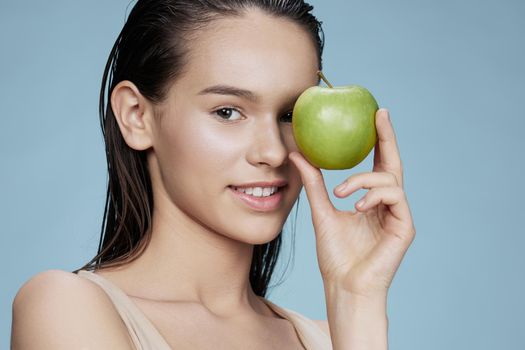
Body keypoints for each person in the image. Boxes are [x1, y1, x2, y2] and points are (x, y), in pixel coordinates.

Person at [11, 1, 416, 349]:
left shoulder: (334, 337)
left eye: (291, 115)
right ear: (136, 117)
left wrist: (356, 299)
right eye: (228, 112)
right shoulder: (63, 307)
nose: (273, 151)